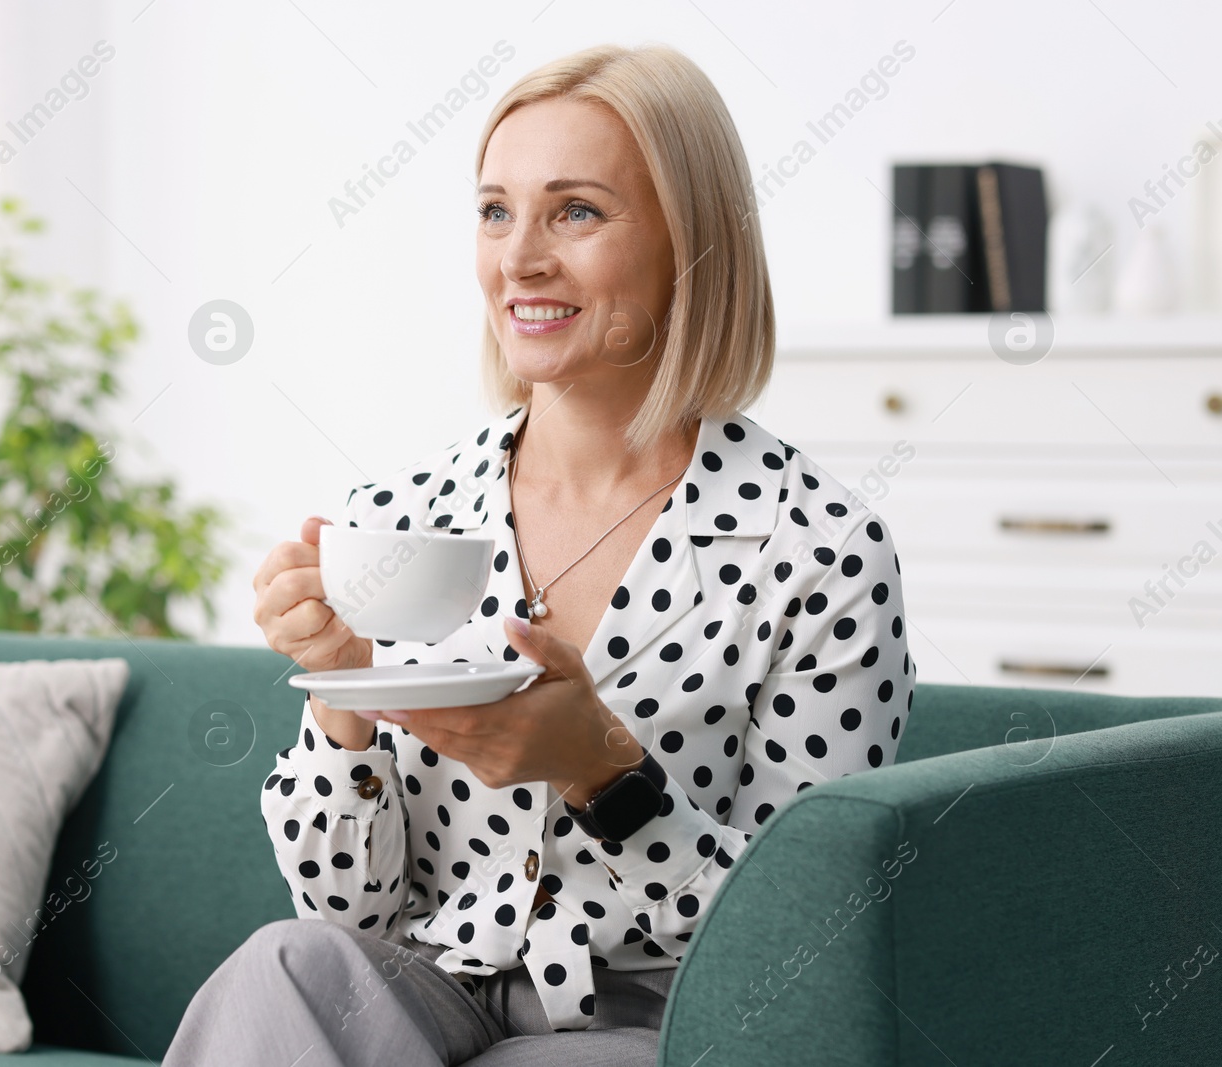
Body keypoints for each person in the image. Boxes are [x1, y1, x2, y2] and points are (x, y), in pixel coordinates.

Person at [164, 40, 916, 1067]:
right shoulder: (404, 516)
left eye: (576, 211)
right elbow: (349, 912)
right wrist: (338, 693)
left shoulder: (816, 549)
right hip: (437, 994)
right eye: (494, 210)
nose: (518, 258)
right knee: (284, 968)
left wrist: (601, 771)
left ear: (690, 243)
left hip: (664, 1020)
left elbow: (806, 937)